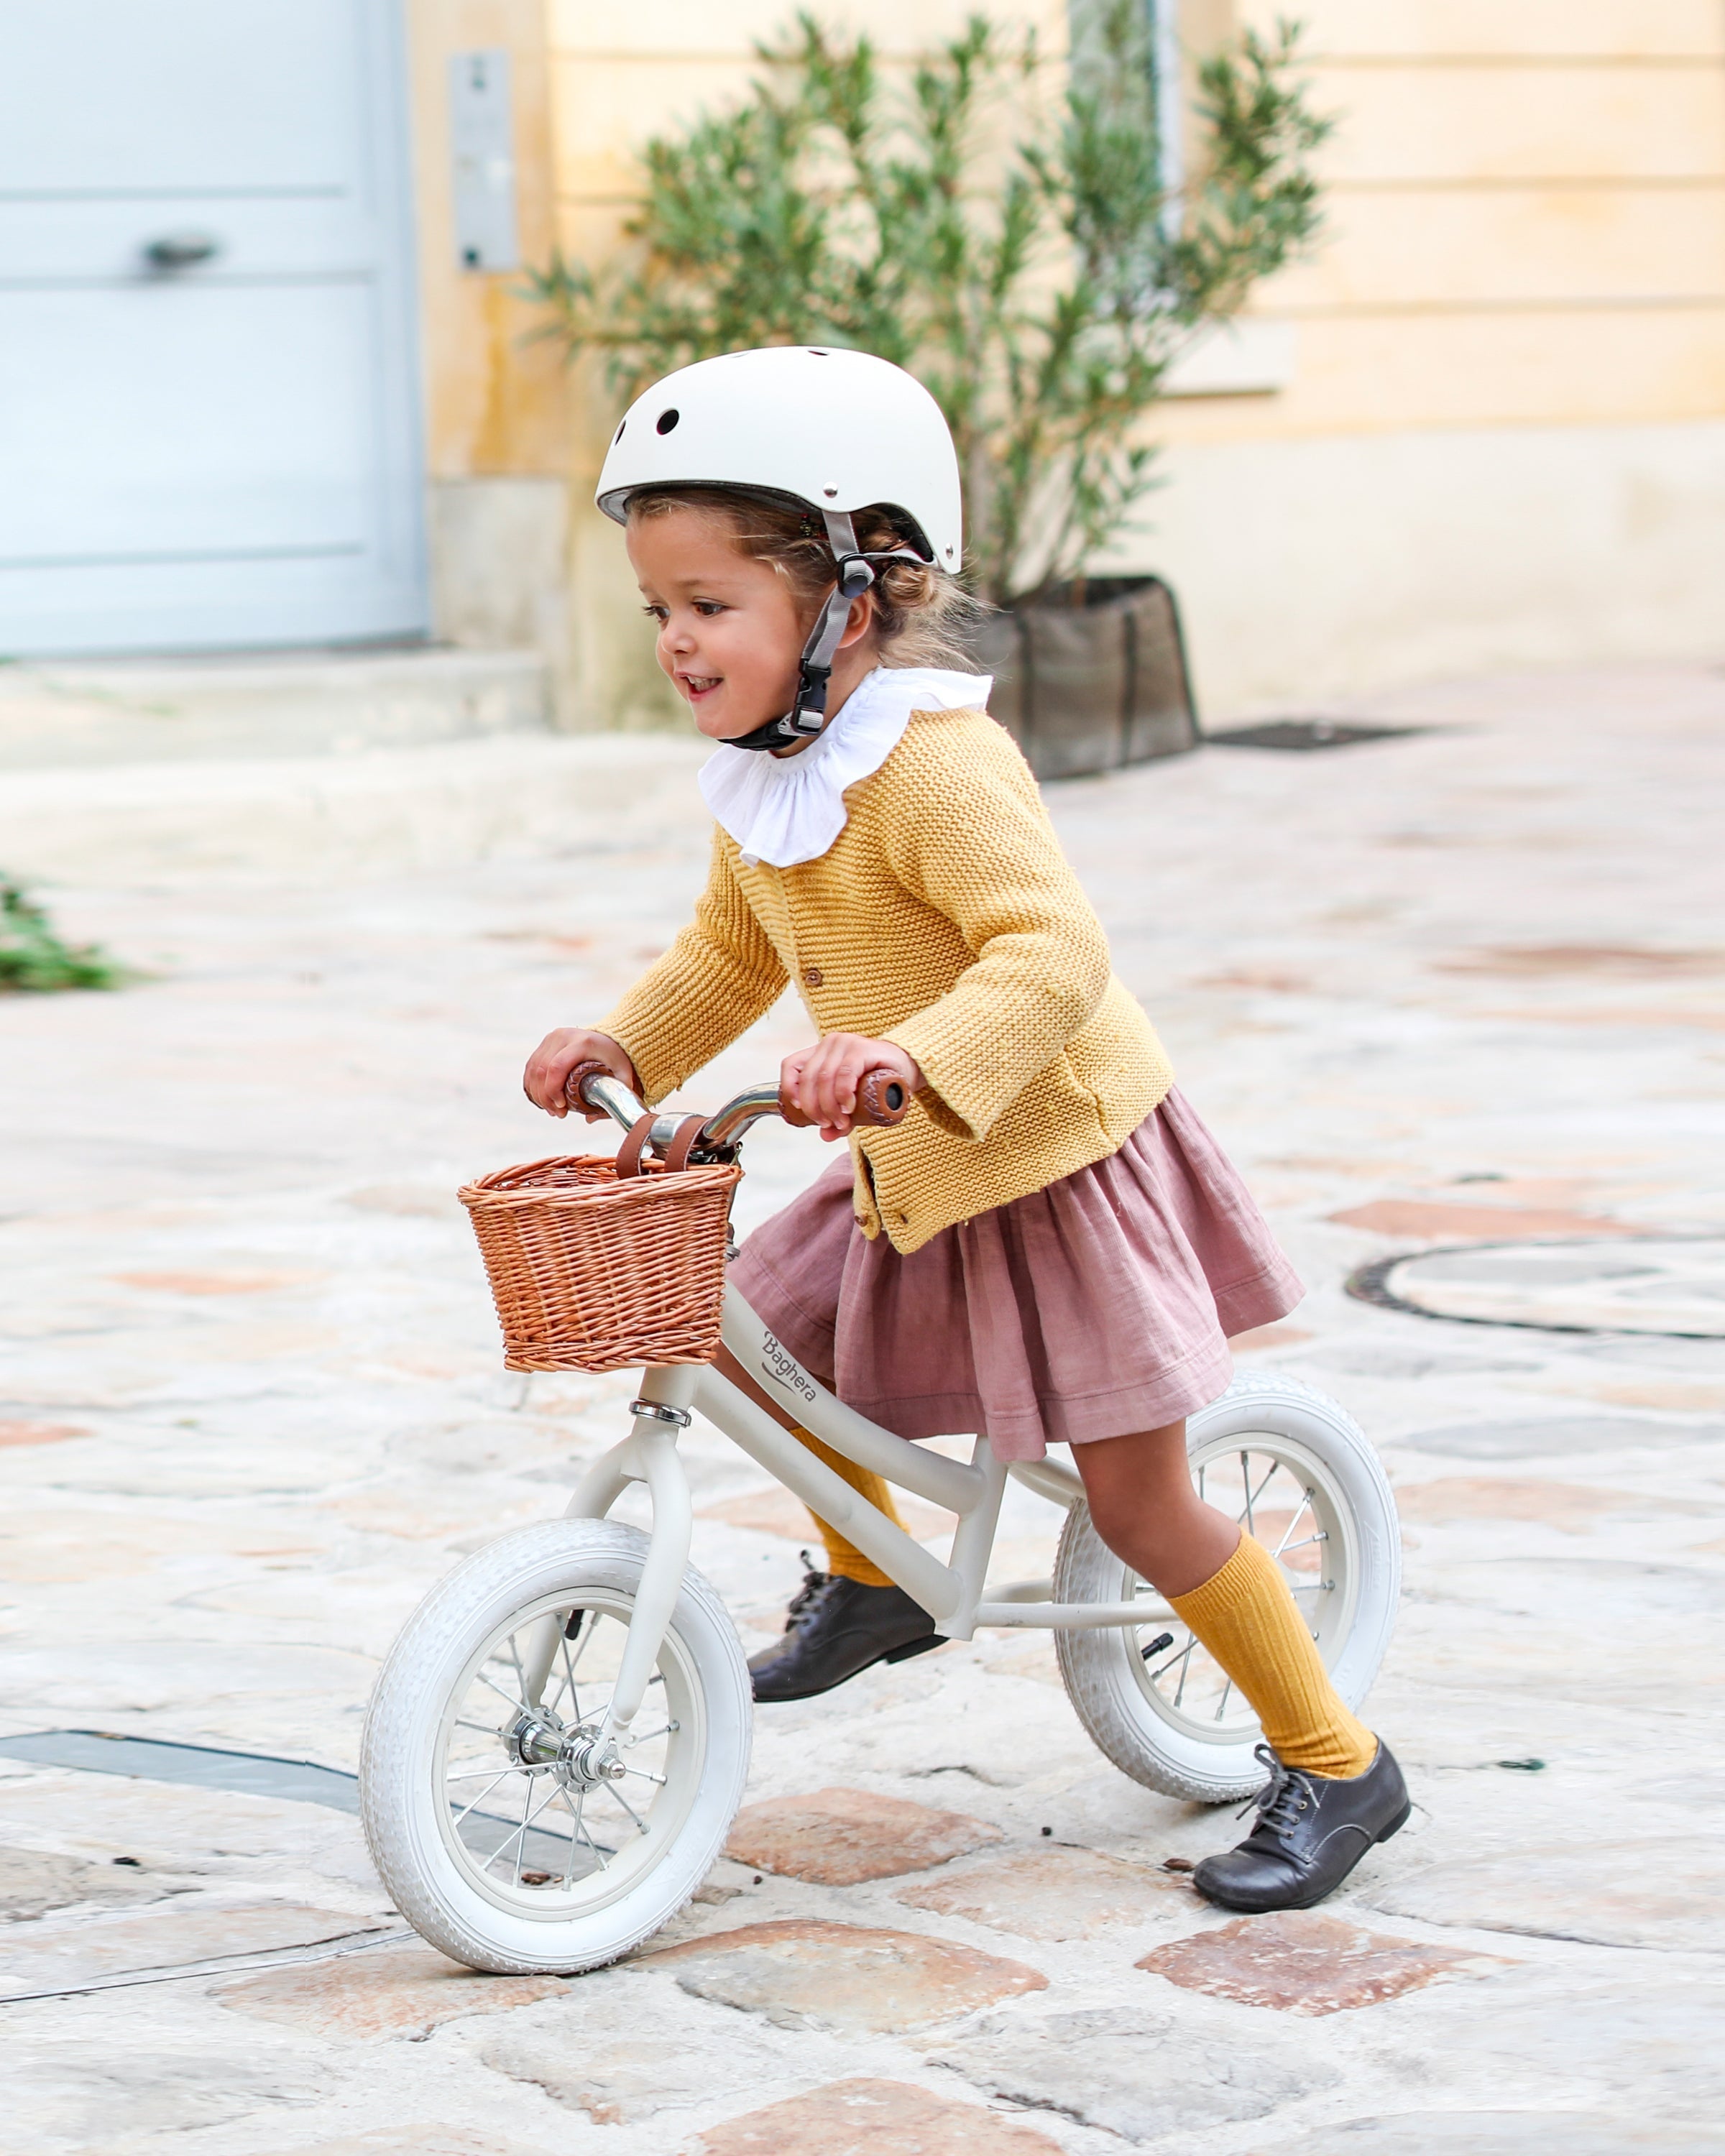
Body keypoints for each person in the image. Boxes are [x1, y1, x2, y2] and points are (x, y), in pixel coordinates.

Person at [521, 345, 1407, 1912]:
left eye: (709, 604)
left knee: (1141, 1503)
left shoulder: (935, 766)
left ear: (852, 603)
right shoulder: (772, 771)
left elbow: (1051, 952)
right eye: (658, 608)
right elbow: (729, 952)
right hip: (913, 1160)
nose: (675, 641)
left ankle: (1338, 1762)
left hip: (1053, 1161)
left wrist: (909, 1053)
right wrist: (624, 1044)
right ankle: (879, 1583)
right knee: (747, 1339)